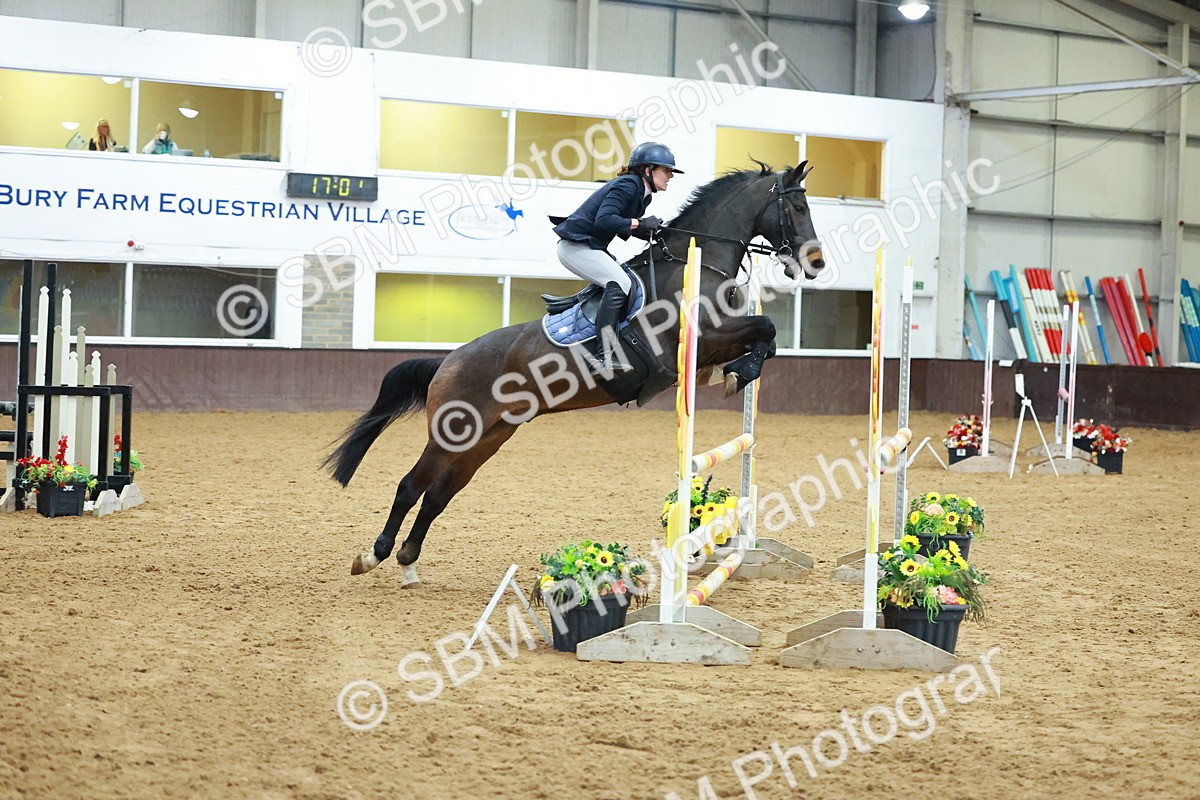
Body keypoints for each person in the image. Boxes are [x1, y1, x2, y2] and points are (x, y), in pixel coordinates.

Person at [551, 141, 683, 373]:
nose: (671, 175)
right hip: (576, 247)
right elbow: (605, 219)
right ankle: (601, 356)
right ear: (648, 170)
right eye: (666, 170)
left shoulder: (644, 196)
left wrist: (649, 231)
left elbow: (622, 228)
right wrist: (639, 223)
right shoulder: (628, 185)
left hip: (589, 247)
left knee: (626, 277)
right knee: (619, 283)